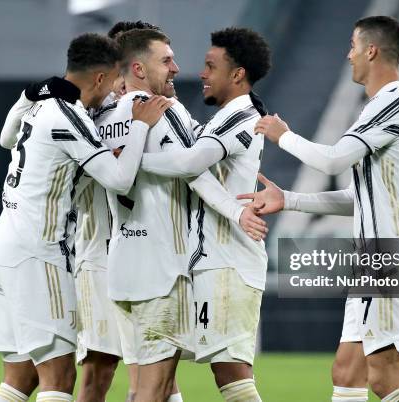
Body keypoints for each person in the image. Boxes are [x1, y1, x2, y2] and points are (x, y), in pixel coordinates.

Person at [238, 16, 399, 402]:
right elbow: (357, 196)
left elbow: (331, 161)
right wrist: (289, 199)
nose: (348, 55)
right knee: (347, 373)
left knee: (386, 379)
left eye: (353, 45)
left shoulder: (392, 104)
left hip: (392, 258)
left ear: (371, 51)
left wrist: (284, 135)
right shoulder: (389, 108)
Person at [0, 33, 170, 402]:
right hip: (37, 257)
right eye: (114, 81)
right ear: (100, 78)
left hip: (1, 251)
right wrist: (138, 126)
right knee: (60, 376)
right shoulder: (69, 117)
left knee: (20, 377)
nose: (114, 92)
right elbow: (119, 180)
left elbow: (6, 139)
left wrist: (26, 95)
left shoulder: (40, 105)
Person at [102, 28, 267, 402]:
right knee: (158, 388)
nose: (179, 68)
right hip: (163, 269)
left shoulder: (106, 114)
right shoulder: (160, 109)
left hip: (121, 268)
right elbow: (195, 168)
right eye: (166, 60)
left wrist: (119, 162)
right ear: (139, 69)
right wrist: (236, 211)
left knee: (150, 385)